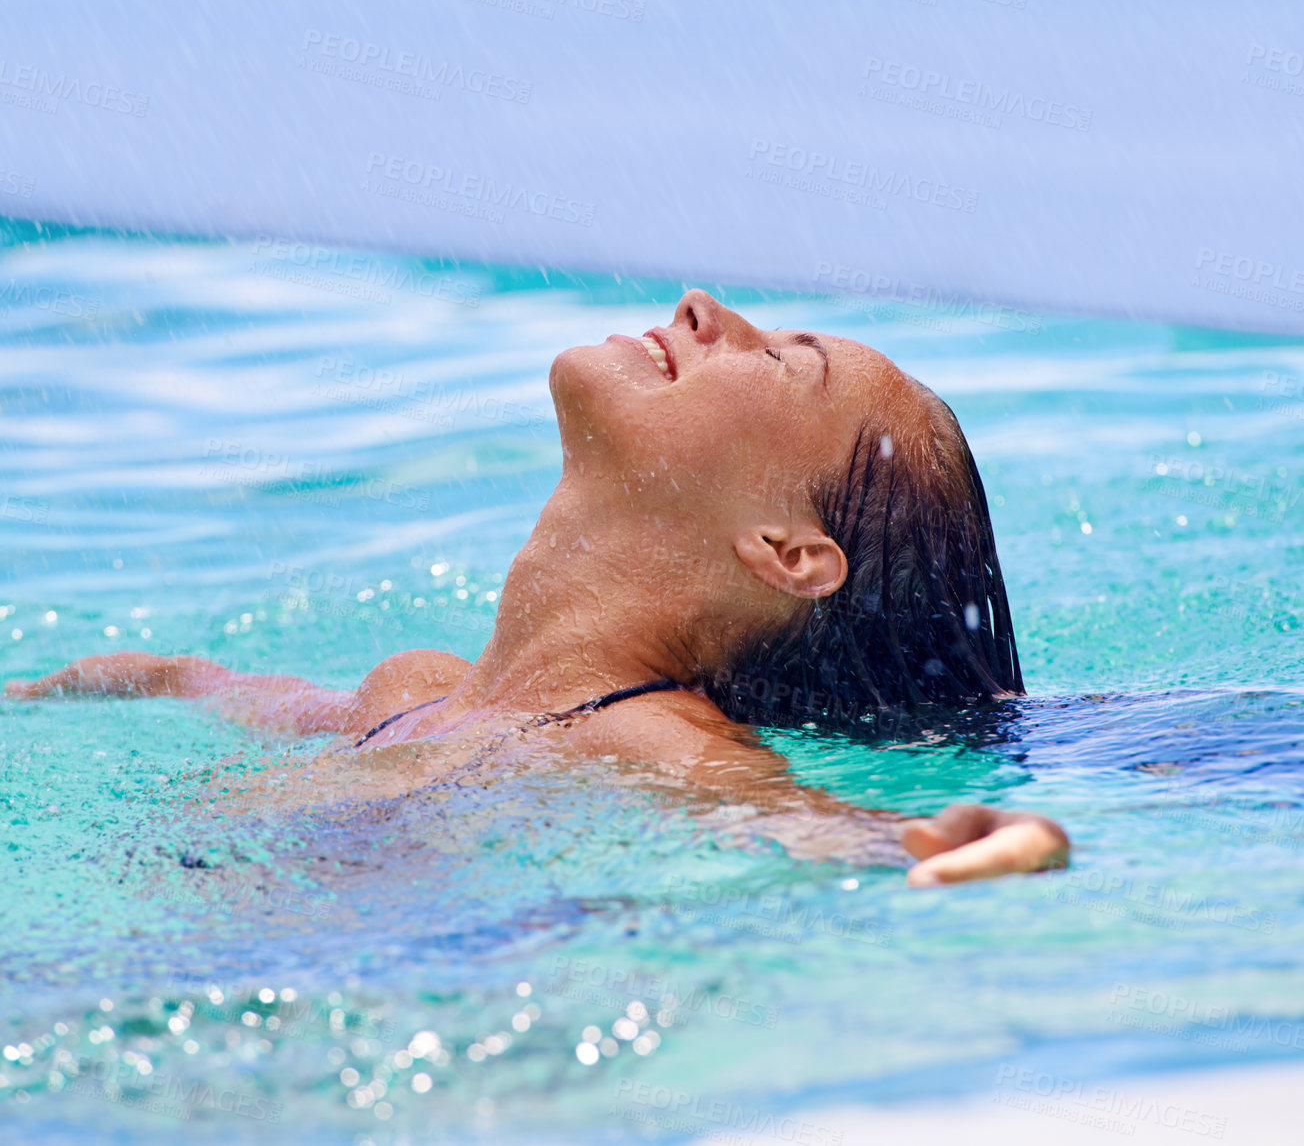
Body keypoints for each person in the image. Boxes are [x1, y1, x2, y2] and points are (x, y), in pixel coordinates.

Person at [5, 290, 1068, 886]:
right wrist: (140, 677)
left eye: (783, 361)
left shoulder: (651, 743)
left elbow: (804, 824)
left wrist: (975, 840)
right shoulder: (409, 687)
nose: (706, 308)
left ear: (785, 551)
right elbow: (211, 683)